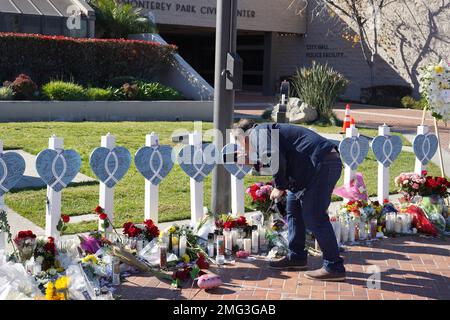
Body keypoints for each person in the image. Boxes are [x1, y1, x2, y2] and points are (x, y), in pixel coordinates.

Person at [233, 119, 346, 282]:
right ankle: (297, 257)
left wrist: (279, 186)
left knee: (315, 217)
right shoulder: (265, 133)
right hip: (314, 166)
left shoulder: (258, 132)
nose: (241, 148)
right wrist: (253, 163)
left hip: (321, 164)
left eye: (239, 142)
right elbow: (281, 158)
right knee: (293, 209)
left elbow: (275, 158)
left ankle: (334, 267)